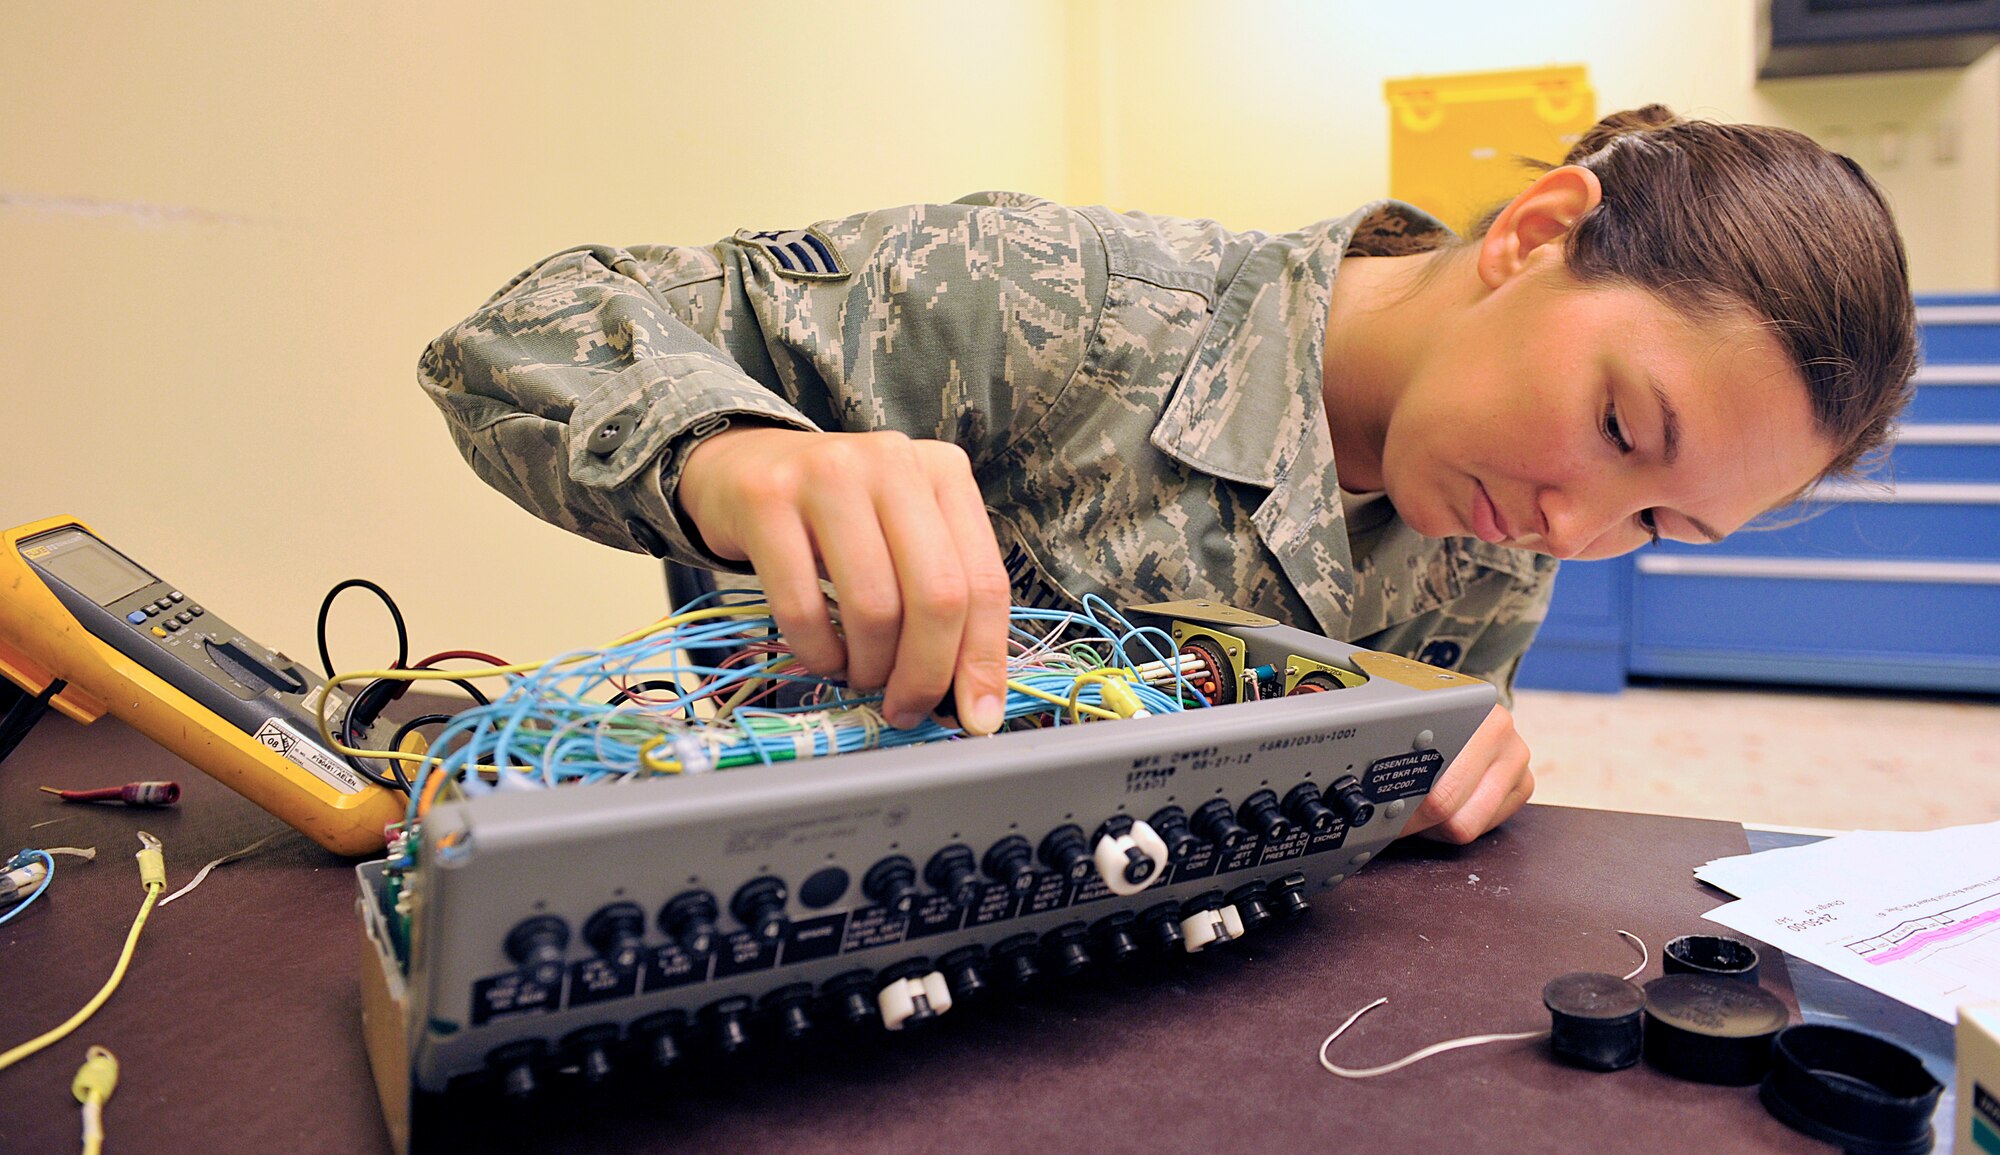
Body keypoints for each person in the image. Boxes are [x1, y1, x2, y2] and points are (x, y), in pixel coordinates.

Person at [418, 105, 1916, 844]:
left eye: (1659, 523)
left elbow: (1425, 739)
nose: (1574, 525)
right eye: (1618, 429)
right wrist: (726, 455)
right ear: (1532, 235)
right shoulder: (1050, 299)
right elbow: (515, 326)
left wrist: (1472, 755)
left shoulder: (1502, 514)